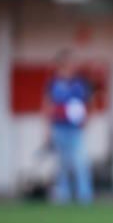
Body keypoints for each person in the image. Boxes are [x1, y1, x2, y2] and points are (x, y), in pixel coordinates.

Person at [42, 50, 93, 204]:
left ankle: (84, 196)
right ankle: (63, 196)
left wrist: (86, 120)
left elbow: (89, 104)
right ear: (62, 64)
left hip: (75, 129)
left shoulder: (80, 83)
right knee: (62, 164)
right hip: (59, 127)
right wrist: (47, 129)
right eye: (70, 62)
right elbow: (47, 106)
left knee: (80, 161)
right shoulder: (53, 84)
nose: (73, 66)